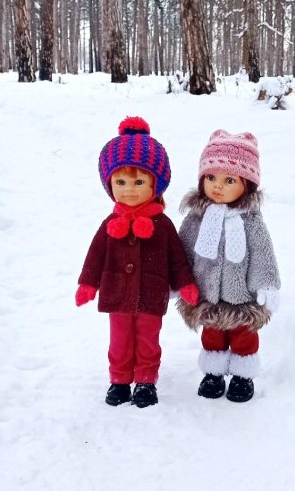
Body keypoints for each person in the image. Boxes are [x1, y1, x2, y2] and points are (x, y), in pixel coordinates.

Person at [75, 116, 199, 408]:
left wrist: (186, 284)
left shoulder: (163, 225)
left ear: (157, 183)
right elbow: (95, 256)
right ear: (109, 184)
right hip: (117, 294)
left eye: (139, 181)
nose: (129, 189)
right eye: (120, 181)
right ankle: (119, 380)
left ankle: (145, 380)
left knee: (147, 339)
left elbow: (177, 259)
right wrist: (87, 283)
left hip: (151, 294)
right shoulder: (110, 223)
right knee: (119, 340)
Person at [177, 129, 280, 403]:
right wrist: (179, 279)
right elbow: (183, 250)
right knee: (212, 336)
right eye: (211, 178)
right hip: (207, 294)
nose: (217, 186)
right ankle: (213, 374)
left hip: (242, 295)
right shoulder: (197, 218)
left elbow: (262, 253)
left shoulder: (250, 221)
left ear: (247, 184)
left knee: (243, 337)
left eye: (229, 180)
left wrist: (266, 284)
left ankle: (242, 377)